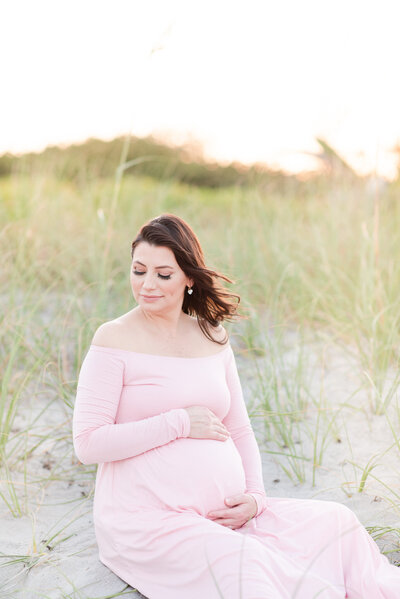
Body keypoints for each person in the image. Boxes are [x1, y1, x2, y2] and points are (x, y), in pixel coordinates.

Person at [72, 213, 400, 599]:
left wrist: (256, 499)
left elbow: (239, 427)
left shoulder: (212, 335)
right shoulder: (113, 338)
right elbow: (88, 443)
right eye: (138, 270)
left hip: (226, 515)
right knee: (248, 566)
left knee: (337, 524)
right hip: (147, 521)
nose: (146, 285)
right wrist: (178, 422)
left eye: (163, 274)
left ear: (189, 278)